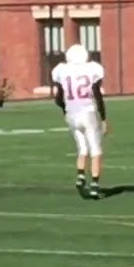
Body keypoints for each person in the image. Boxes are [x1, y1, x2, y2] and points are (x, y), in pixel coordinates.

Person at [51, 43, 109, 200]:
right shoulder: (92, 69)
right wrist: (103, 118)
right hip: (88, 112)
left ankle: (81, 176)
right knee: (95, 150)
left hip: (72, 113)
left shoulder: (62, 70)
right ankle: (95, 185)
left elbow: (57, 98)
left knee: (82, 148)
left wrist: (65, 109)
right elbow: (97, 94)